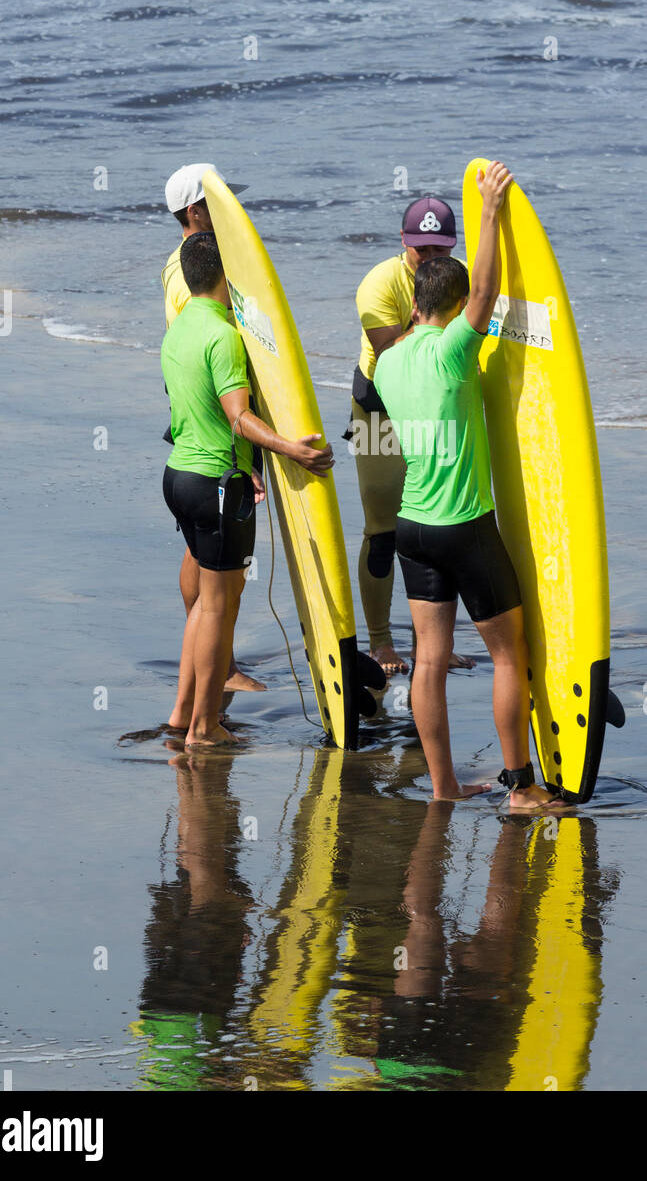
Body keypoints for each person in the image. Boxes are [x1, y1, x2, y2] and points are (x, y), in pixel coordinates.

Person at [374, 161, 562, 810]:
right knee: (509, 656)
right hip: (463, 525)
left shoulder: (388, 359)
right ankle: (520, 789)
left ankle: (444, 786)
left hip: (412, 528)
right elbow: (483, 291)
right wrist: (489, 212)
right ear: (452, 311)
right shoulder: (454, 348)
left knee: (430, 660)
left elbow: (463, 296)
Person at [161, 232, 334, 747]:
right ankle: (204, 728)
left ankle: (181, 715)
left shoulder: (178, 330)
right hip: (215, 485)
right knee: (218, 606)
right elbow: (238, 416)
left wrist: (244, 465)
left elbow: (193, 410)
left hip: (179, 477)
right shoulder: (224, 336)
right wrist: (291, 449)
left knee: (205, 606)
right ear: (225, 274)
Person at [350, 195, 475, 678]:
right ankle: (380, 643)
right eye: (422, 250)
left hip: (434, 408)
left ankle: (434, 644)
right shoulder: (379, 284)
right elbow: (390, 353)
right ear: (404, 241)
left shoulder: (455, 277)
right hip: (379, 411)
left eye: (441, 250)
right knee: (383, 530)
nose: (431, 259)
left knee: (444, 524)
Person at [162, 162, 263, 694]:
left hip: (194, 434)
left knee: (201, 556)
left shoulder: (182, 265)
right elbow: (210, 359)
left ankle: (208, 656)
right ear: (197, 211)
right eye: (219, 207)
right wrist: (249, 450)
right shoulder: (194, 278)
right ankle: (216, 668)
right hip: (212, 431)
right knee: (217, 575)